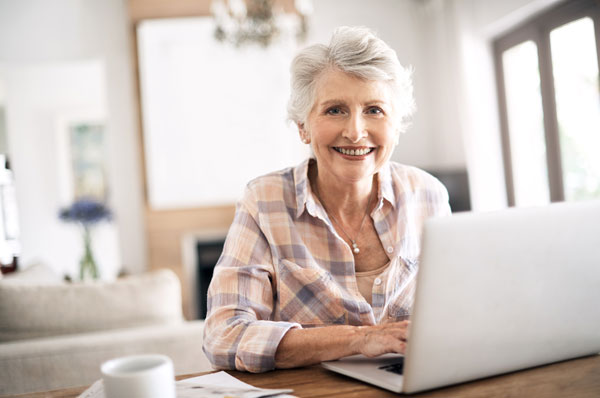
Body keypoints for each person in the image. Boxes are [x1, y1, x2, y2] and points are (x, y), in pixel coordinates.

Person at [203, 26, 451, 373]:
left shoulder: (429, 196)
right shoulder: (264, 200)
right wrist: (358, 339)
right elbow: (223, 334)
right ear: (303, 126)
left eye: (375, 110)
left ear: (396, 125)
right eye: (335, 110)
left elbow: (455, 314)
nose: (355, 131)